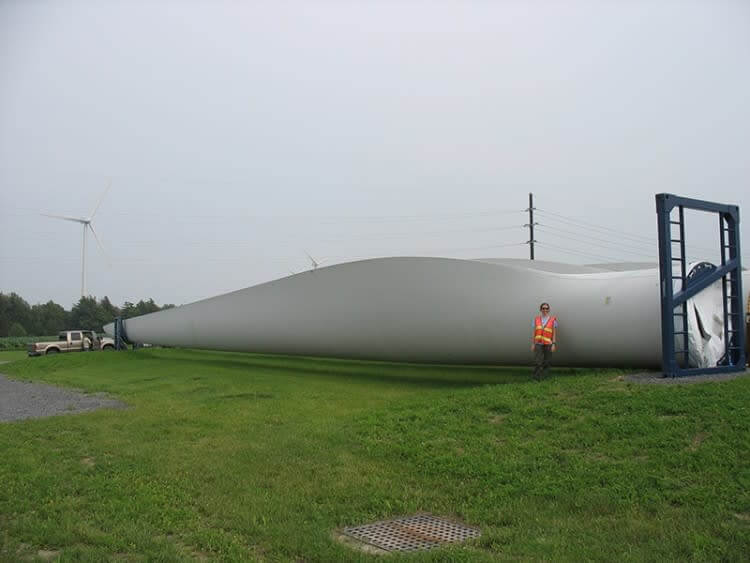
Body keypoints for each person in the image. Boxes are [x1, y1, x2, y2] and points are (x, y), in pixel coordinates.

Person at [531, 302, 557, 380]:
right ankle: (536, 377)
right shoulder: (536, 319)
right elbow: (534, 332)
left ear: (548, 310)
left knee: (547, 361)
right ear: (540, 309)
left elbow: (554, 333)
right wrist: (532, 344)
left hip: (548, 343)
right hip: (538, 343)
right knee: (538, 361)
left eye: (546, 308)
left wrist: (553, 344)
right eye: (543, 308)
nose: (545, 310)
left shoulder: (553, 320)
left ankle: (545, 377)